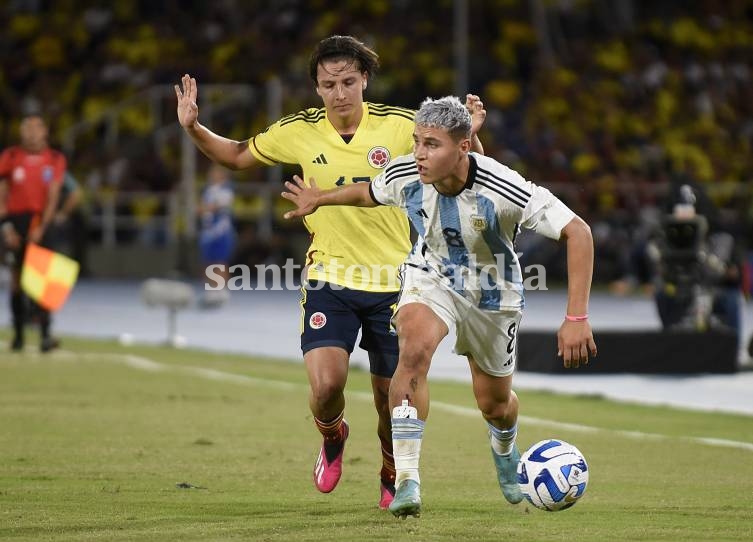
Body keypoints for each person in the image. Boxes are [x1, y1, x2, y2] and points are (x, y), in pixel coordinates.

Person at [175, 34, 487, 509]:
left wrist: (473, 134)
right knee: (325, 388)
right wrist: (195, 128)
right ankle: (333, 435)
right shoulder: (299, 129)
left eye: (347, 81)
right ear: (317, 89)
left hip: (399, 283)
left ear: (364, 79)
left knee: (390, 402)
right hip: (330, 278)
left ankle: (391, 467)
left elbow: (463, 161)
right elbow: (237, 155)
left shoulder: (403, 126)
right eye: (328, 84)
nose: (339, 93)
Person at [282, 96, 597, 518]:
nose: (419, 153)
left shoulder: (505, 187)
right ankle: (407, 479)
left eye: (431, 144)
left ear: (463, 147)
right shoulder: (407, 173)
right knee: (412, 352)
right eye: (416, 141)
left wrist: (575, 318)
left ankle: (504, 447)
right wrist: (321, 198)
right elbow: (368, 192)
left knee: (494, 404)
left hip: (492, 294)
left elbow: (579, 232)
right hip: (430, 278)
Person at [0, 113, 65, 352]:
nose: (32, 132)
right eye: (27, 127)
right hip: (15, 222)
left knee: (44, 281)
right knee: (17, 281)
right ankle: (17, 336)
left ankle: (46, 336)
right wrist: (6, 228)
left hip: (40, 221)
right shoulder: (10, 157)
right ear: (20, 131)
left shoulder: (55, 159)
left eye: (37, 127)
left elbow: (53, 196)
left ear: (45, 131)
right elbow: (2, 194)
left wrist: (42, 227)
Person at [198, 163, 236, 308]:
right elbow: (200, 209)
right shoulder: (208, 190)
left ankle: (222, 290)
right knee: (208, 261)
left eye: (215, 173)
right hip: (208, 232)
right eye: (211, 173)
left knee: (220, 261)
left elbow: (218, 206)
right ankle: (211, 290)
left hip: (221, 231)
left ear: (223, 176)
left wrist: (206, 208)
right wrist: (205, 208)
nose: (212, 175)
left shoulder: (226, 189)